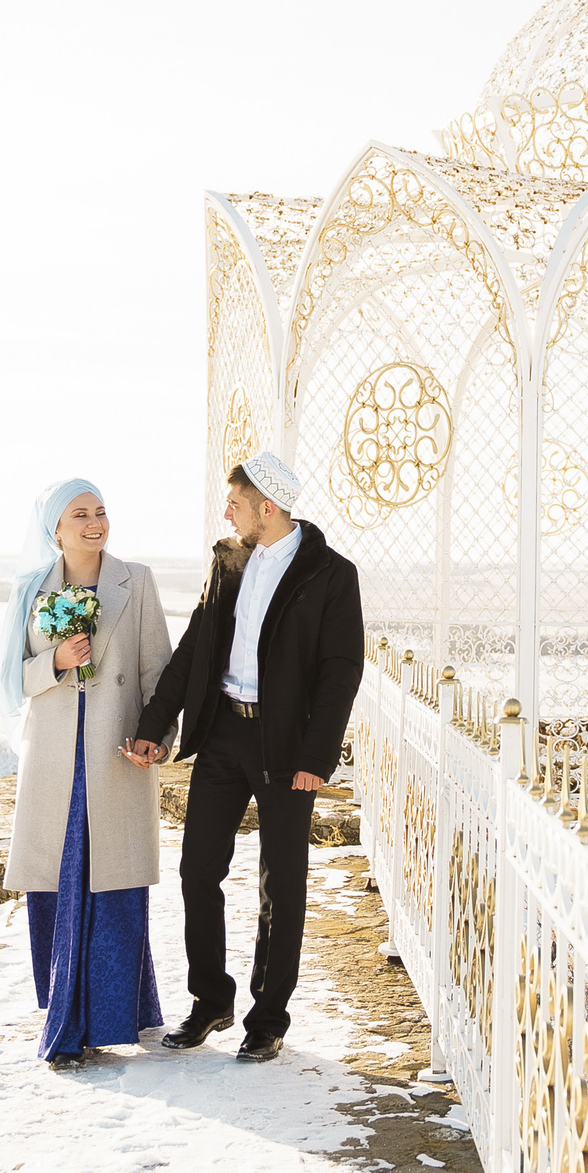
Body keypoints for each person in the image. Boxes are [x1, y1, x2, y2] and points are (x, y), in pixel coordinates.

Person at [130, 451, 364, 1063]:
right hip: (223, 734)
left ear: (268, 506)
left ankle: (268, 1017)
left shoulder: (332, 575)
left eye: (234, 503)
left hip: (287, 749)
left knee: (280, 885)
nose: (225, 513)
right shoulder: (227, 561)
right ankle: (211, 1002)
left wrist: (319, 755)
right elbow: (193, 649)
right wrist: (155, 725)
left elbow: (342, 673)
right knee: (196, 871)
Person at [0, 479, 173, 1067]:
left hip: (114, 755)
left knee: (115, 884)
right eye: (81, 515)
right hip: (52, 758)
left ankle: (116, 1014)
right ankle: (65, 1019)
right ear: (56, 529)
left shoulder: (137, 581)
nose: (95, 523)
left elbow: (157, 673)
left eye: (101, 511)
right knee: (58, 881)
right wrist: (56, 661)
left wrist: (159, 739)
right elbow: (10, 679)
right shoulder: (31, 590)